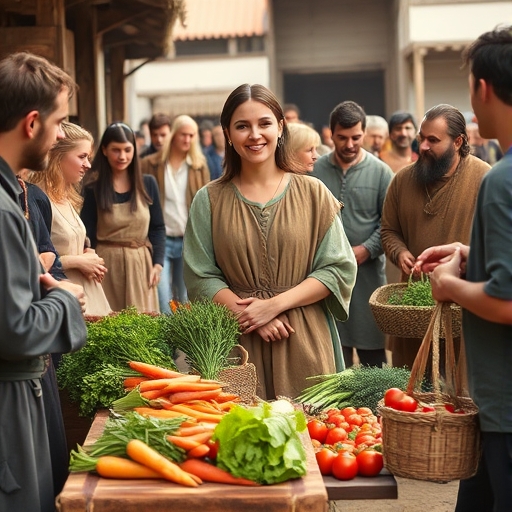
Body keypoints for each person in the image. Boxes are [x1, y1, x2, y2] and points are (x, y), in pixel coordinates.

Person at [183, 84, 357, 400]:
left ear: (279, 127)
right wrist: (251, 315)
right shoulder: (207, 200)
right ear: (227, 132)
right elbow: (200, 276)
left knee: (315, 440)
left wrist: (274, 306)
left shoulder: (314, 193)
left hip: (304, 336)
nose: (254, 134)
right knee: (240, 440)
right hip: (236, 344)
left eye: (264, 123)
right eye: (242, 126)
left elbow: (337, 269)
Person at [414, 27, 512, 512]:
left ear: (484, 89)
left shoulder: (499, 180)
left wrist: (449, 284)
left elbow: (508, 302)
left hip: (505, 407)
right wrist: (468, 252)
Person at [0, 51, 87, 512]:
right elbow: (16, 330)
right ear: (32, 123)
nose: (59, 136)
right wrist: (66, 300)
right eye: (59, 122)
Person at [381, 104, 490, 369]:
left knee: (459, 393)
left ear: (458, 142)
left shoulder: (485, 178)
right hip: (413, 308)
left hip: (463, 307)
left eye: (433, 140)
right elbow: (389, 231)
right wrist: (400, 253)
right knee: (410, 395)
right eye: (422, 138)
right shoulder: (402, 179)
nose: (424, 146)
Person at [313, 101, 393, 367]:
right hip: (324, 276)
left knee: (372, 352)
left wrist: (365, 249)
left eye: (356, 138)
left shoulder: (381, 172)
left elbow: (390, 223)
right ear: (331, 134)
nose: (349, 145)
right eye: (342, 138)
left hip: (367, 276)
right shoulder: (315, 171)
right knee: (333, 352)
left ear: (365, 134)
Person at [81, 122, 165, 313]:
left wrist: (157, 264)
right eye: (116, 150)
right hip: (107, 265)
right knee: (109, 325)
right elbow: (88, 234)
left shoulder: (148, 184)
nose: (122, 156)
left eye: (127, 150)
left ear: (135, 150)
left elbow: (158, 227)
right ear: (104, 150)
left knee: (142, 326)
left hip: (140, 264)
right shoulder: (93, 188)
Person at [29, 121, 111, 317]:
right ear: (58, 156)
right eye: (82, 156)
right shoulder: (37, 197)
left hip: (88, 296)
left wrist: (87, 252)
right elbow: (35, 262)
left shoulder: (67, 195)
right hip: (65, 299)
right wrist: (78, 261)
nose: (88, 165)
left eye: (89, 157)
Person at [140, 114, 210, 313]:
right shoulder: (150, 164)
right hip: (160, 241)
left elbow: (204, 207)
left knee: (186, 298)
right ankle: (167, 344)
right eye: (183, 135)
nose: (187, 140)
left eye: (191, 135)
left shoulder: (199, 166)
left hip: (188, 241)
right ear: (173, 135)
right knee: (163, 299)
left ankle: (183, 343)